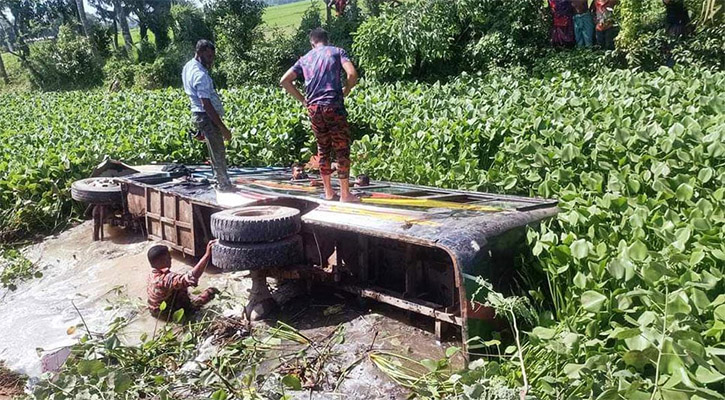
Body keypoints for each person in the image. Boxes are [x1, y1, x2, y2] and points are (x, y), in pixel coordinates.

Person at [280, 28, 360, 203]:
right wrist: (346, 89)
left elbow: (284, 81)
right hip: (333, 105)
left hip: (314, 109)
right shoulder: (337, 52)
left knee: (323, 149)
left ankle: (329, 192)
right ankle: (345, 195)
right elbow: (352, 74)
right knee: (341, 148)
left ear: (312, 42)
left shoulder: (304, 59)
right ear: (327, 39)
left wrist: (303, 100)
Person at [182, 40, 234, 191]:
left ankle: (219, 180)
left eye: (213, 56)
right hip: (206, 116)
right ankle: (223, 185)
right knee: (218, 151)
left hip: (198, 114)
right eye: (209, 56)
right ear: (199, 53)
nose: (211, 60)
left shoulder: (188, 66)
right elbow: (206, 105)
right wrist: (223, 128)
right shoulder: (200, 75)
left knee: (213, 150)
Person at [146, 240, 219, 319]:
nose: (170, 258)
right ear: (161, 261)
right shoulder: (165, 279)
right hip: (168, 314)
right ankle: (189, 312)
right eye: (168, 257)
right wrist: (207, 255)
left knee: (180, 288)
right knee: (212, 291)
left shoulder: (151, 275)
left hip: (154, 311)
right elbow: (192, 277)